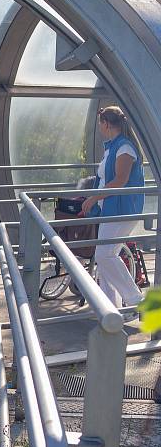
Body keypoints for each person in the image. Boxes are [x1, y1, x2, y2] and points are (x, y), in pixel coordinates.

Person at [81, 106, 145, 308]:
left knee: (104, 255)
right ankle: (109, 307)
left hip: (122, 210)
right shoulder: (113, 146)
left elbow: (120, 180)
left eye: (100, 122)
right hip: (111, 209)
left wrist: (93, 198)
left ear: (106, 123)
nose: (99, 127)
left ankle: (136, 299)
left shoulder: (124, 147)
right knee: (106, 258)